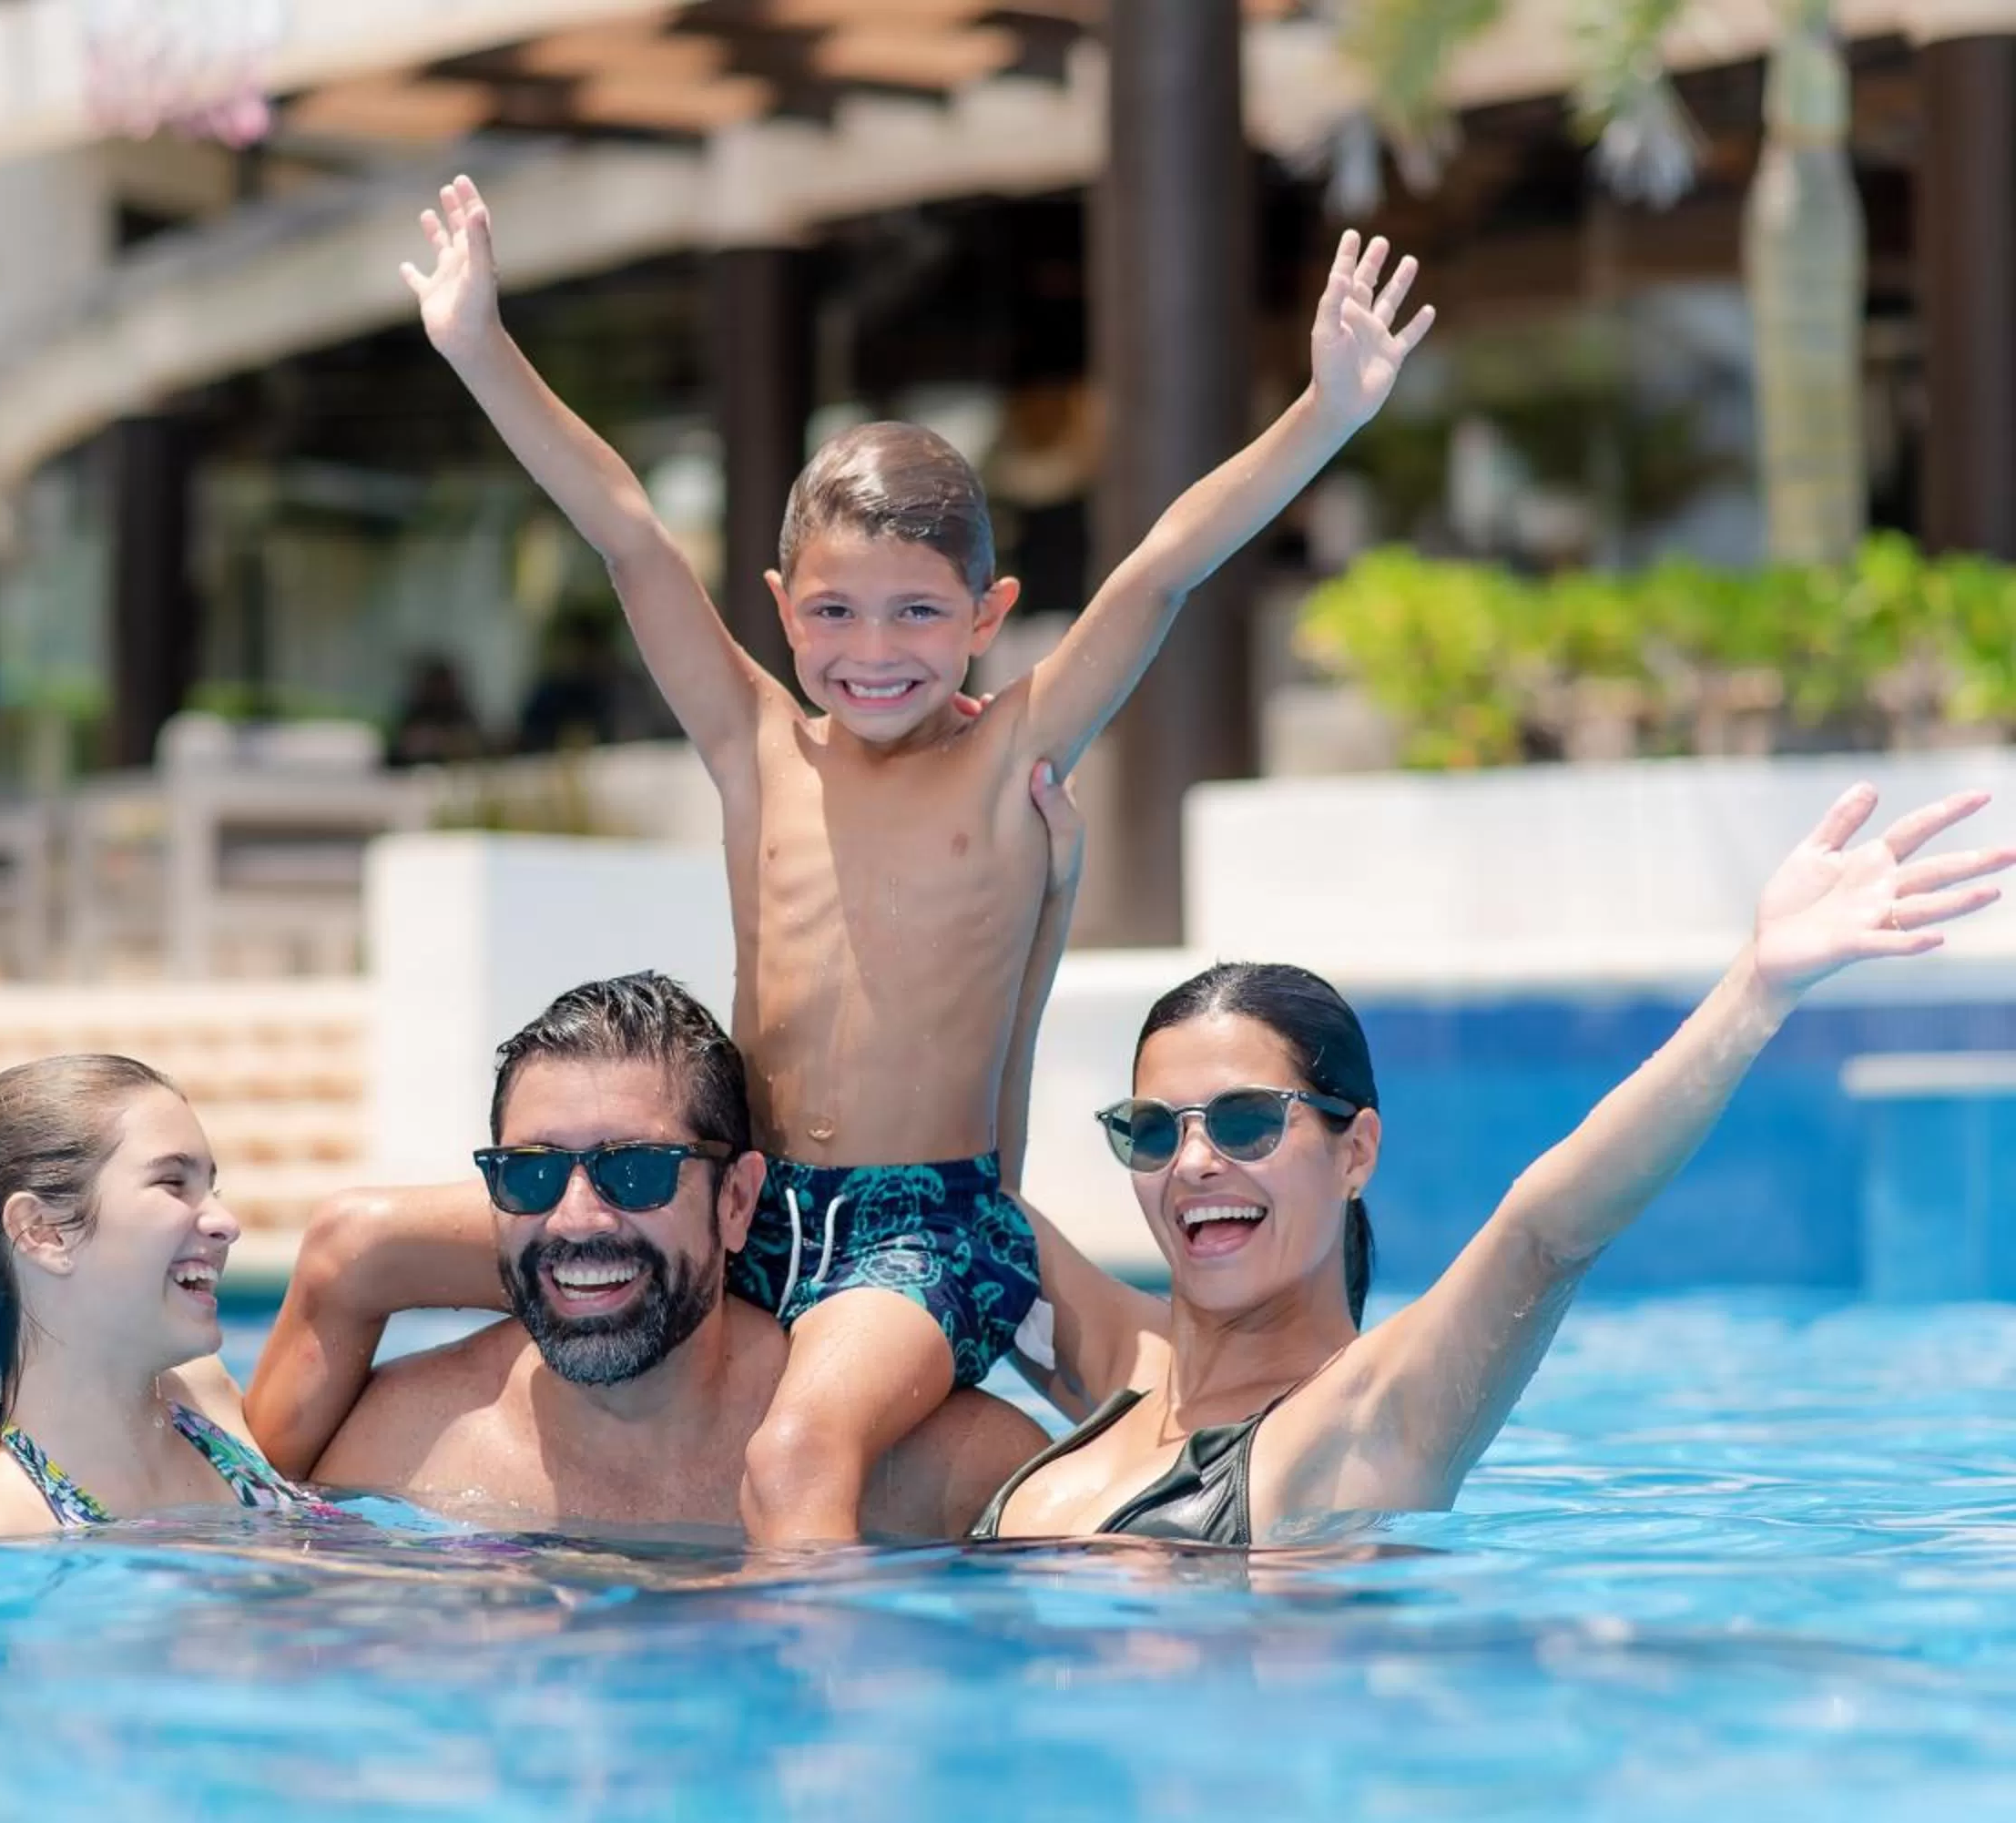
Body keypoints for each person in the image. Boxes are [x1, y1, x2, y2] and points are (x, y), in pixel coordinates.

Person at [395, 173, 1436, 1543]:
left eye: (915, 613)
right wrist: (477, 340)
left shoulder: (1009, 755)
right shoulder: (755, 744)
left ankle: (818, 1730)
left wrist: (1328, 412)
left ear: (987, 616)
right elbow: (629, 531)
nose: (870, 649)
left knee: (798, 1451)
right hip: (746, 1198)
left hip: (927, 1227)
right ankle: (236, 1534)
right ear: (778, 608)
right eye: (831, 610)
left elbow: (1163, 570)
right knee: (358, 1250)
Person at [975, 780, 2015, 1544]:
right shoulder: (1121, 1371)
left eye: (1247, 1122)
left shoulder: (1365, 1414)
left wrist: (1757, 990)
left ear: (1357, 1151)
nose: (1194, 1160)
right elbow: (960, 1185)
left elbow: (1548, 1231)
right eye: (1153, 1130)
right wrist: (1049, 894)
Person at [245, 973, 1047, 1538]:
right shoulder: (401, 1451)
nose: (578, 1218)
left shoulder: (934, 1476)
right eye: (531, 1173)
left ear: (735, 1201)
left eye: (636, 1171)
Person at [0, 1054, 333, 1539]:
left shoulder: (205, 1396)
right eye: (172, 1183)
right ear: (43, 1233)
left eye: (211, 1188)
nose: (227, 1223)